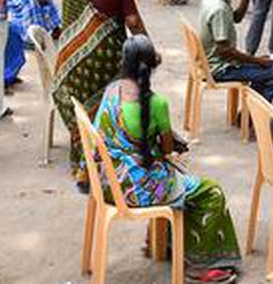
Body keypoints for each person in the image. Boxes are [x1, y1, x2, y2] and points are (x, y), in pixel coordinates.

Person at [94, 36, 241, 282]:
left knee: (180, 180)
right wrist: (174, 144)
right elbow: (166, 150)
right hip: (138, 188)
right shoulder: (156, 104)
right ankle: (199, 266)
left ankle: (161, 242)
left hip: (108, 181)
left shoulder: (111, 92)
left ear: (124, 62)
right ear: (151, 66)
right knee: (210, 192)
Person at [54, 0, 148, 186]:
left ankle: (85, 151)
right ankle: (117, 148)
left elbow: (67, 27)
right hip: (108, 62)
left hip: (70, 66)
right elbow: (133, 22)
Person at [201, 0, 273, 101]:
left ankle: (247, 114)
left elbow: (236, 18)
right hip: (221, 69)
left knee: (263, 69)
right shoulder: (219, 8)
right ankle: (253, 116)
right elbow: (225, 51)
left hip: (215, 60)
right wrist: (256, 60)